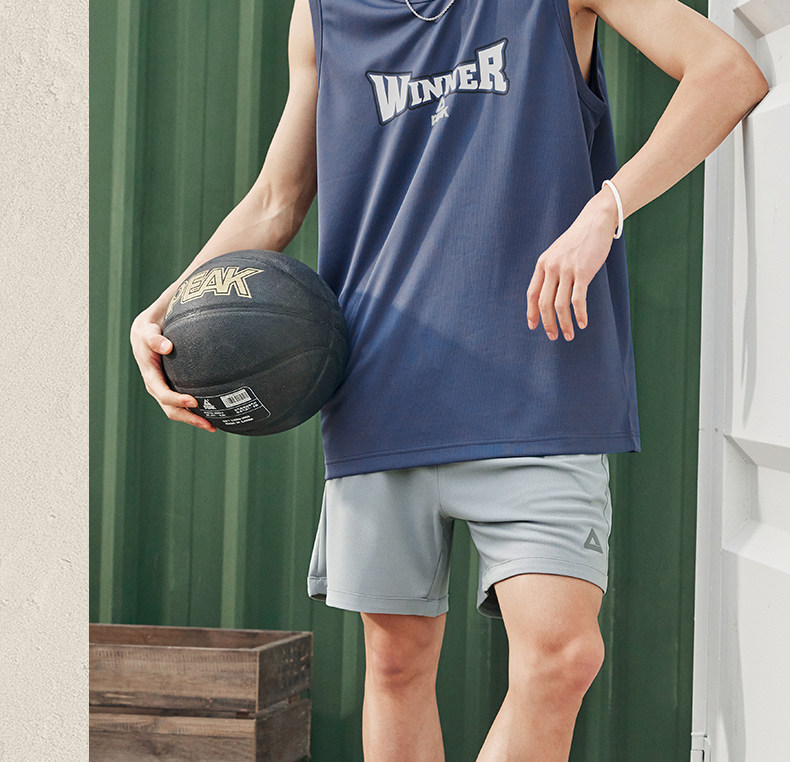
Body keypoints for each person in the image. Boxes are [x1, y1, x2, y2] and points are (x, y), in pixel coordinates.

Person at [130, 0, 768, 758]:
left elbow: (727, 72)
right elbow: (278, 200)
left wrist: (605, 210)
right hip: (380, 387)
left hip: (539, 380)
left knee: (563, 658)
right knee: (396, 662)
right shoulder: (324, 13)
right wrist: (172, 306)